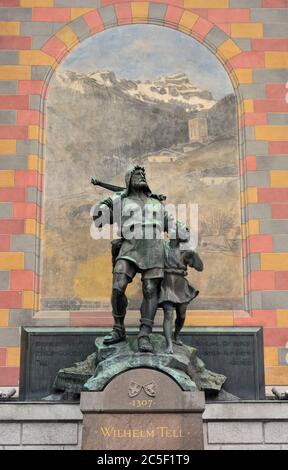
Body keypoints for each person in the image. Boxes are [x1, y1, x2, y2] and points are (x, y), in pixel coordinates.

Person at [92, 165, 176, 353]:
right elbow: (98, 220)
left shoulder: (157, 203)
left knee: (150, 289)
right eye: (137, 174)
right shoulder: (122, 200)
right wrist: (110, 200)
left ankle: (144, 334)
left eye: (143, 174)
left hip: (154, 248)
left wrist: (181, 232)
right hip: (129, 247)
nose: (142, 176)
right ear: (128, 178)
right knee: (118, 286)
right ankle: (118, 328)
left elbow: (170, 225)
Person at [159, 234, 204, 354]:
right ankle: (169, 344)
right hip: (167, 283)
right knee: (168, 314)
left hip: (180, 285)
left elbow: (200, 268)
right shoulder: (162, 247)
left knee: (182, 315)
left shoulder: (185, 252)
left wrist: (194, 254)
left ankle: (176, 335)